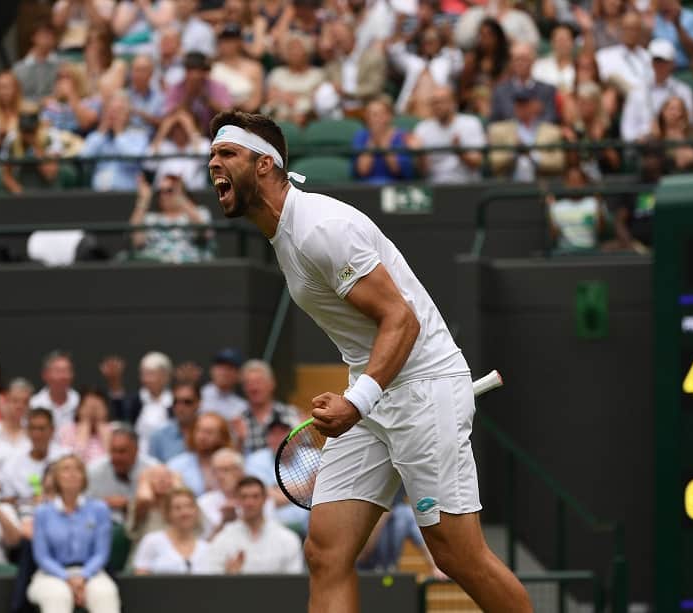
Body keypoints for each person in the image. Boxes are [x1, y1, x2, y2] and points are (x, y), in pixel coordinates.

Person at [207, 111, 531, 611]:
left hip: (421, 390)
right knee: (325, 551)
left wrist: (356, 402)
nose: (213, 164)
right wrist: (362, 399)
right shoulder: (285, 238)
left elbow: (401, 320)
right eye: (212, 155)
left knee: (456, 553)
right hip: (375, 393)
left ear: (265, 165)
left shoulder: (320, 229)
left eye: (226, 153)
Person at [28, 454, 121, 613]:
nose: (72, 473)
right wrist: (67, 577)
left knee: (106, 593)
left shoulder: (99, 509)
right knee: (57, 595)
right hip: (51, 573)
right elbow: (42, 556)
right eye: (66, 469)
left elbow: (101, 553)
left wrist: (83, 576)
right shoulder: (43, 512)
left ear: (84, 477)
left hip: (91, 571)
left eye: (77, 469)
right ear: (56, 477)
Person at [194, 476, 302, 574]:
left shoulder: (287, 539)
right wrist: (228, 575)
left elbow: (293, 580)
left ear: (265, 499)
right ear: (237, 500)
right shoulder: (223, 538)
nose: (250, 502)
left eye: (255, 497)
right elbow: (212, 576)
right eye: (244, 497)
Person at [128, 169, 215, 264]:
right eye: (161, 191)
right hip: (155, 268)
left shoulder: (200, 212)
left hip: (189, 267)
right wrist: (143, 200)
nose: (164, 195)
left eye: (169, 190)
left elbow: (204, 233)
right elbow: (136, 241)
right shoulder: (151, 218)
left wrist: (181, 198)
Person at [620, 38, 693, 144]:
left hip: (674, 145)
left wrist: (668, 132)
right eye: (657, 61)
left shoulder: (684, 91)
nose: (660, 65)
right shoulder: (637, 91)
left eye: (664, 61)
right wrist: (645, 136)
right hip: (644, 148)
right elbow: (627, 131)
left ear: (672, 63)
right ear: (651, 62)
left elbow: (690, 123)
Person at [0, 408, 66, 520]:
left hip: (61, 515)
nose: (37, 434)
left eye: (41, 429)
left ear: (52, 430)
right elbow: (7, 499)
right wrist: (30, 501)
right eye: (32, 428)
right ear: (27, 431)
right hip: (23, 518)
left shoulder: (65, 458)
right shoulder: (12, 461)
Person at [386, 23, 463, 118]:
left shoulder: (445, 62)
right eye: (426, 41)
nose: (429, 43)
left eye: (433, 40)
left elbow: (458, 66)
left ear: (439, 43)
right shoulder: (413, 62)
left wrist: (450, 40)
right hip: (410, 111)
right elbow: (394, 53)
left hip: (438, 114)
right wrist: (412, 35)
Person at [412, 85, 485, 185]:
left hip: (466, 185)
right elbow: (423, 172)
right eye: (434, 102)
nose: (437, 106)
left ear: (452, 103)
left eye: (441, 101)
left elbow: (477, 163)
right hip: (435, 187)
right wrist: (420, 154)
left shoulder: (471, 123)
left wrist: (459, 151)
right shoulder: (422, 128)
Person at [488, 87, 565, 182]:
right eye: (518, 104)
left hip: (541, 186)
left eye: (525, 103)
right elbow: (494, 162)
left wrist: (532, 155)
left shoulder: (552, 131)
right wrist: (514, 152)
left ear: (535, 105)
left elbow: (559, 162)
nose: (521, 107)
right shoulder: (498, 130)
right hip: (508, 187)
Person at [80, 91, 149, 192]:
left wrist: (119, 135)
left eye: (119, 111)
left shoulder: (138, 135)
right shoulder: (97, 136)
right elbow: (84, 158)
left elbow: (133, 160)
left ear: (128, 114)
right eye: (111, 111)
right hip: (99, 196)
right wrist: (102, 131)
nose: (114, 116)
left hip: (126, 195)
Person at [132, 486, 207, 574]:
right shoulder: (152, 541)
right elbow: (141, 578)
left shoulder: (205, 547)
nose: (185, 512)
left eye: (189, 506)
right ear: (167, 513)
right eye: (177, 508)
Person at [87, 424, 153, 525]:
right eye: (113, 451)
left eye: (122, 452)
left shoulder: (152, 470)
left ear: (136, 450)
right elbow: (82, 508)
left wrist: (129, 506)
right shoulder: (94, 471)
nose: (116, 457)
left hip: (142, 528)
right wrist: (102, 504)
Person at [233, 360, 297, 456]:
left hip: (285, 470)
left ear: (272, 384)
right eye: (248, 383)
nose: (254, 388)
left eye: (259, 382)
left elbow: (307, 455)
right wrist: (240, 441)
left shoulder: (290, 414)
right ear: (244, 388)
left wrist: (298, 439)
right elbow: (232, 459)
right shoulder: (238, 420)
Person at [262, 33, 325, 126]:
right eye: (290, 49)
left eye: (297, 48)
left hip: (305, 120)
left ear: (307, 52)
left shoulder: (317, 75)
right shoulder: (277, 73)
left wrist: (285, 96)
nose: (293, 52)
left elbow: (315, 103)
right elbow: (270, 98)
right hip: (277, 118)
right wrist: (293, 97)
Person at [352, 95, 415, 185]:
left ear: (389, 116)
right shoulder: (360, 136)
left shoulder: (403, 136)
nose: (374, 118)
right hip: (366, 188)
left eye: (378, 114)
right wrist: (373, 140)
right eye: (370, 114)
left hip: (396, 187)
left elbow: (398, 171)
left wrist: (383, 142)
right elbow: (362, 171)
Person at [489, 42, 557, 124]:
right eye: (516, 59)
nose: (520, 63)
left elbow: (551, 118)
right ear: (511, 63)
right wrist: (523, 113)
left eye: (524, 59)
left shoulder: (547, 90)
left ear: (533, 61)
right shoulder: (500, 91)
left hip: (540, 133)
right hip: (509, 133)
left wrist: (531, 122)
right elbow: (494, 120)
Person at [166, 413, 232, 495]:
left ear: (222, 436)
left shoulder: (231, 464)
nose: (202, 436)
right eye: (198, 430)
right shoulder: (177, 464)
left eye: (209, 432)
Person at [546, 164, 606, 252]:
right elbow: (554, 235)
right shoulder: (556, 207)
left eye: (578, 181)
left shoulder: (594, 203)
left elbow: (600, 230)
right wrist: (550, 208)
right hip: (565, 252)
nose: (575, 185)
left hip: (590, 251)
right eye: (571, 181)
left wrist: (599, 206)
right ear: (565, 184)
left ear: (584, 183)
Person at [210, 23, 264, 114]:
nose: (228, 44)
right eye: (224, 40)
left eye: (232, 40)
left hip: (247, 117)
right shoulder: (211, 68)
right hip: (218, 117)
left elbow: (256, 101)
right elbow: (209, 99)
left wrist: (238, 107)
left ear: (240, 42)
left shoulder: (254, 67)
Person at [595, 12, 652, 95]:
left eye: (634, 29)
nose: (630, 33)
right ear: (620, 29)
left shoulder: (648, 57)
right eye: (627, 28)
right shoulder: (604, 55)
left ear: (640, 31)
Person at [125, 351, 173, 449]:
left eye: (151, 374)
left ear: (165, 376)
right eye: (144, 374)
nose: (146, 379)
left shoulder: (176, 401)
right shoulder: (134, 401)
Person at [149, 381, 202, 463]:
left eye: (187, 402)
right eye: (176, 402)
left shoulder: (210, 432)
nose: (180, 407)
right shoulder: (158, 436)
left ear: (199, 403)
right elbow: (153, 470)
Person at [56, 388, 113, 465]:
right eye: (88, 407)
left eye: (97, 407)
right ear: (78, 409)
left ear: (106, 410)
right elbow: (67, 463)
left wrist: (106, 439)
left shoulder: (115, 430)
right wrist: (83, 436)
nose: (92, 412)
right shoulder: (67, 431)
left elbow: (115, 462)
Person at [651, 96, 693, 174]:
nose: (674, 113)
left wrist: (681, 135)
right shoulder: (656, 133)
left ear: (683, 113)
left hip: (690, 176)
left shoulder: (691, 131)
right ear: (663, 111)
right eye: (671, 109)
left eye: (679, 109)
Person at [31, 351, 80, 432]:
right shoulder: (34, 404)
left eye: (67, 371)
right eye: (58, 371)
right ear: (45, 375)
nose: (63, 376)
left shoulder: (80, 402)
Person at [13, 21, 60, 103]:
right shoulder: (19, 68)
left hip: (54, 110)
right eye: (44, 34)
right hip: (27, 111)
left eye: (51, 35)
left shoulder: (61, 65)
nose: (47, 38)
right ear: (33, 37)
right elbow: (16, 96)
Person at [652, 0, 693, 70]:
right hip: (661, 71)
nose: (664, 2)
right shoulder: (653, 20)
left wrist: (677, 25)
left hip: (687, 69)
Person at [199, 348, 245, 420]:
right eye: (220, 367)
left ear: (238, 374)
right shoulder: (197, 395)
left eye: (229, 368)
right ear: (212, 370)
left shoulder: (242, 407)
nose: (224, 372)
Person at [532, 22, 577, 94]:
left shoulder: (579, 67)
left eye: (566, 40)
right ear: (552, 42)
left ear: (572, 42)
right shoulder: (539, 65)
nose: (562, 44)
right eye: (559, 40)